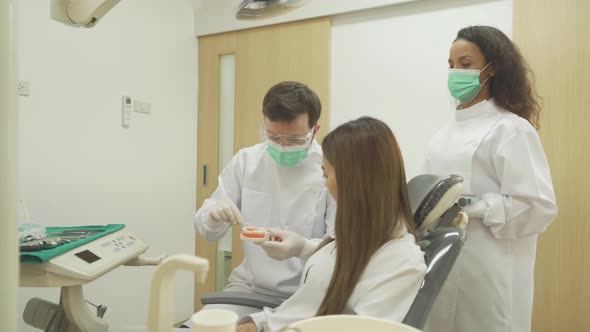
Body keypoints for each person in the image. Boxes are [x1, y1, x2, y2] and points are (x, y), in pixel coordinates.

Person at [422, 26, 558, 332]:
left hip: (490, 274)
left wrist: (479, 206)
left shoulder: (511, 130)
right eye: (451, 64)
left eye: (465, 64)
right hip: (442, 267)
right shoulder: (441, 136)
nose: (456, 71)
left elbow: (538, 207)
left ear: (492, 67)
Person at [237, 116, 427, 332]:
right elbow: (332, 279)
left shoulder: (400, 262)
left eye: (326, 174)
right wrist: (304, 248)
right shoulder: (362, 234)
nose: (325, 186)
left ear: (354, 180)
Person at [192, 81, 336, 322]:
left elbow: (338, 247)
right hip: (248, 288)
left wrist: (301, 248)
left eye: (294, 140)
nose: (282, 146)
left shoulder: (329, 170)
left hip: (307, 293)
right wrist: (213, 215)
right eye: (274, 136)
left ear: (315, 129)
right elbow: (207, 231)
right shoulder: (248, 161)